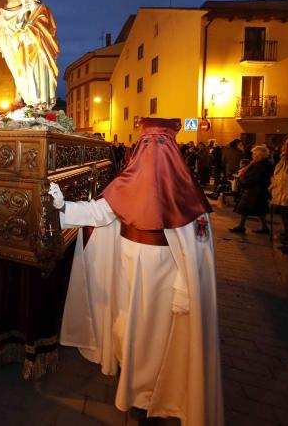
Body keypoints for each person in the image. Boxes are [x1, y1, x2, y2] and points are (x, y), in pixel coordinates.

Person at [50, 118, 222, 426]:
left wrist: (185, 288)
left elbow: (196, 252)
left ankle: (150, 398)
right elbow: (99, 213)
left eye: (160, 144)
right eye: (146, 143)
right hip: (126, 270)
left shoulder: (187, 195)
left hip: (164, 279)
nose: (152, 150)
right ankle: (130, 383)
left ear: (172, 150)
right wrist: (63, 206)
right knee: (126, 328)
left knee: (154, 337)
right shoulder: (127, 184)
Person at [6, 0, 59, 107]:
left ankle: (41, 102)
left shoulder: (43, 9)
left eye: (27, 1)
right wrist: (21, 13)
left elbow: (45, 28)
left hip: (41, 51)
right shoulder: (28, 16)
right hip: (29, 51)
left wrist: (26, 32)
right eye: (23, 2)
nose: (25, 4)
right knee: (29, 74)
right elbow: (15, 27)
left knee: (38, 73)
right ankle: (33, 102)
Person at [229, 145, 273, 234]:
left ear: (259, 155)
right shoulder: (258, 163)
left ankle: (243, 226)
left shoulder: (261, 165)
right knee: (256, 209)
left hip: (255, 190)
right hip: (254, 190)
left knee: (250, 208)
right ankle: (261, 227)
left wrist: (243, 180)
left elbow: (254, 178)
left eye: (254, 154)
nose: (252, 155)